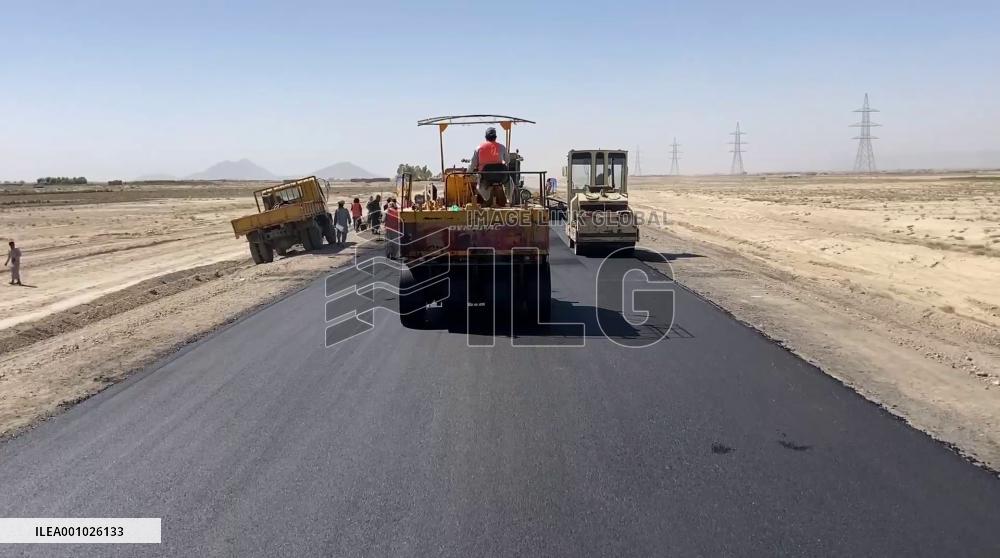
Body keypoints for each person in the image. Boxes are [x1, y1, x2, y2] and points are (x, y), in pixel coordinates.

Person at [468, 126, 510, 203]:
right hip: (501, 177)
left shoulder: (479, 148)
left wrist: (468, 173)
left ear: (486, 137)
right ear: (495, 137)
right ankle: (508, 198)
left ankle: (487, 198)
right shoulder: (502, 147)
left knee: (479, 186)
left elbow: (472, 164)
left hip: (485, 177)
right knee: (510, 181)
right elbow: (507, 160)